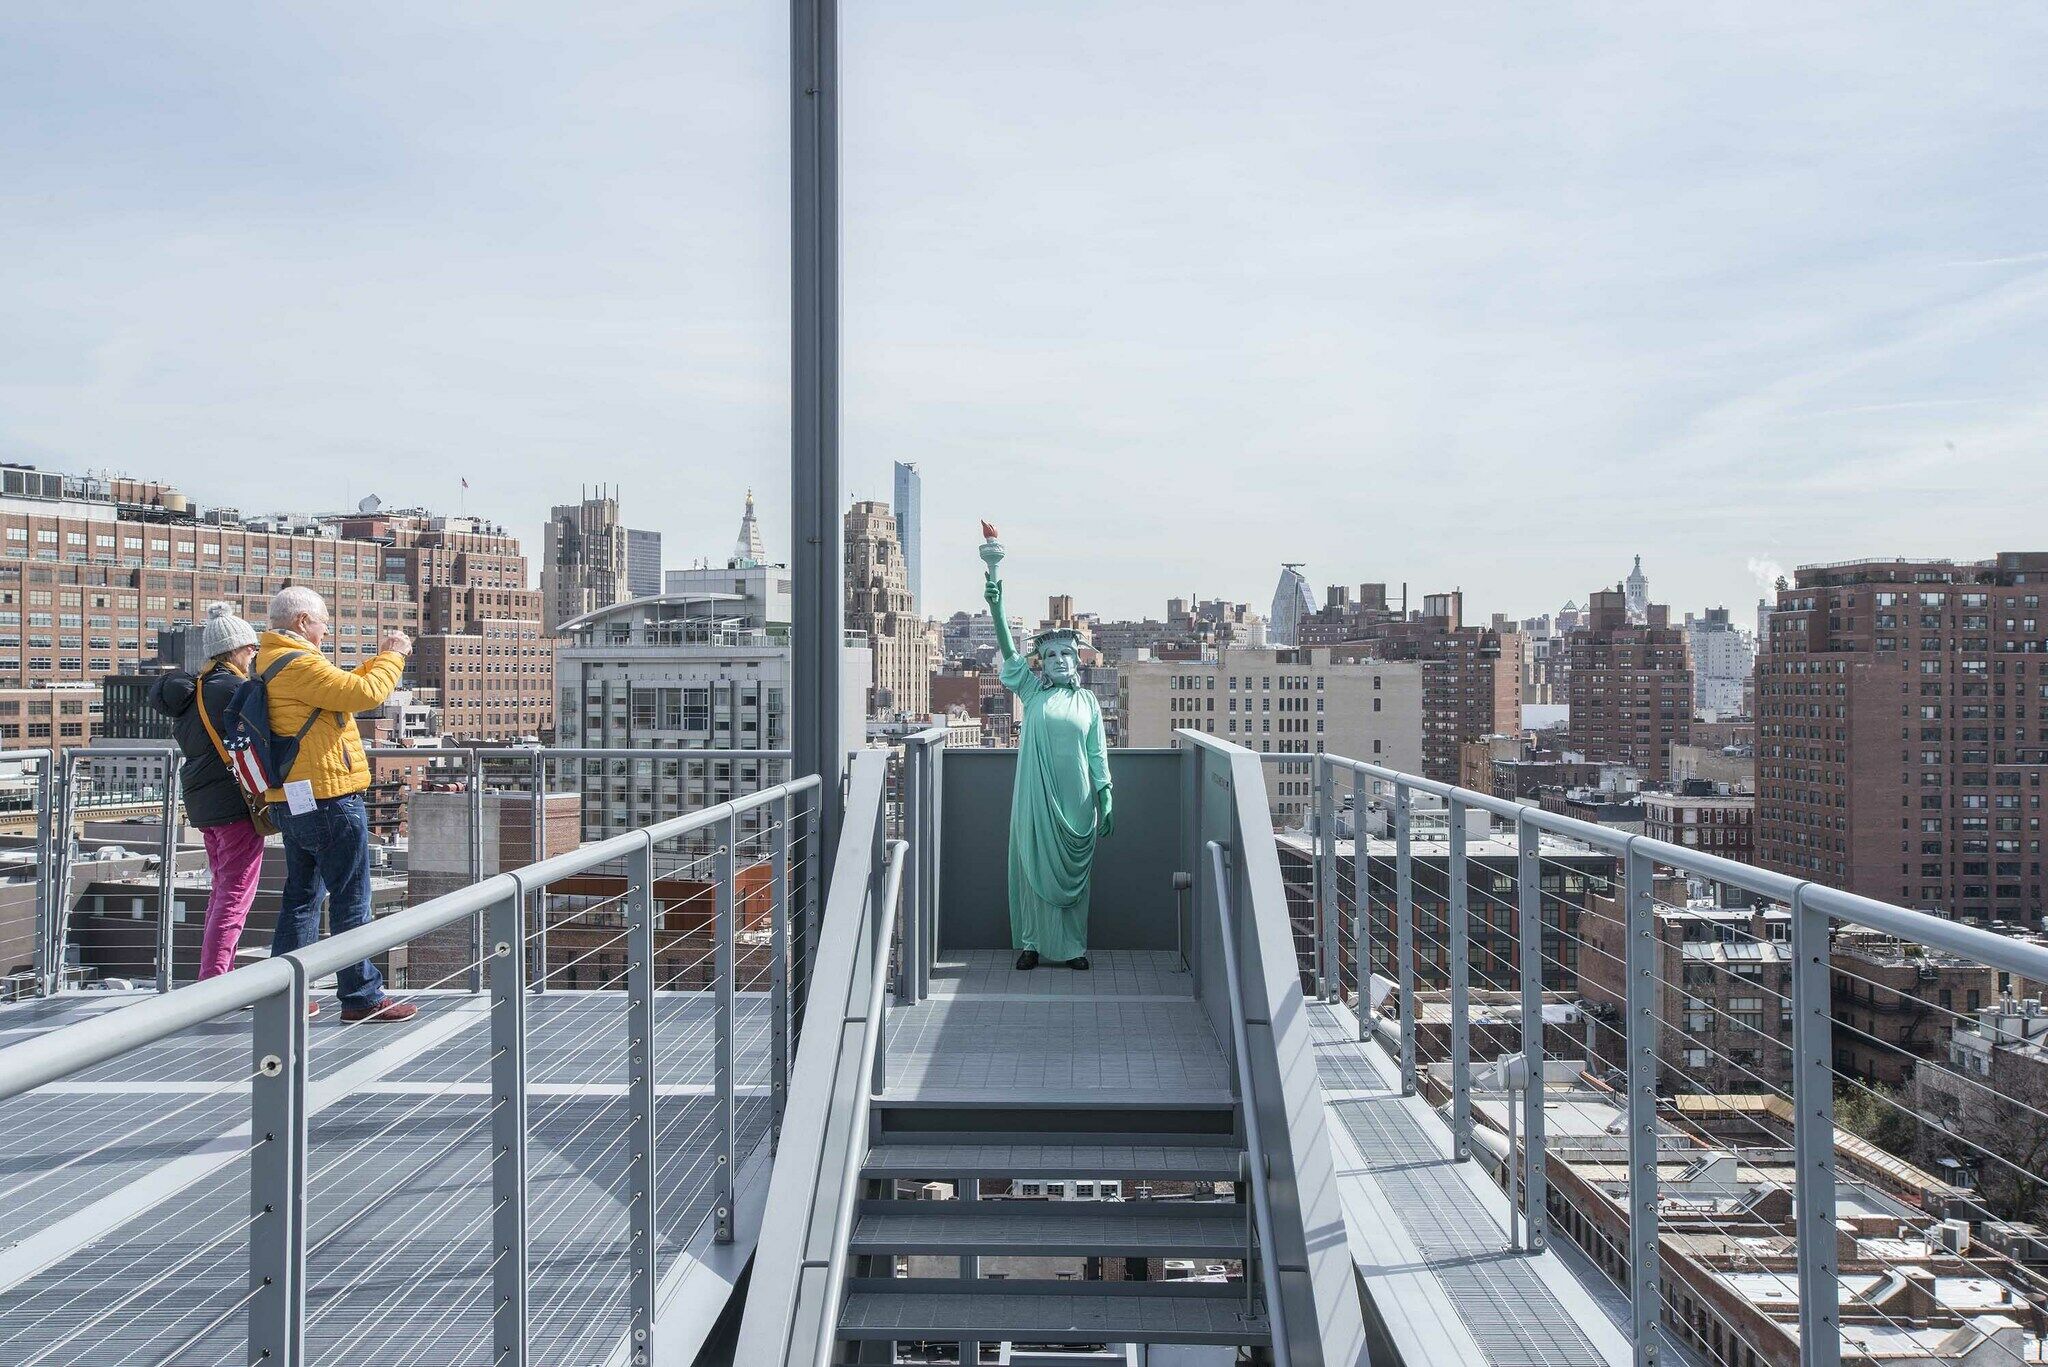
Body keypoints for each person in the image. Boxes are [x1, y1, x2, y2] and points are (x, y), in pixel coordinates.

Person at [258, 585, 418, 1022]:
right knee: (351, 899)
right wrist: (394, 655)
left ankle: (286, 994)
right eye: (323, 623)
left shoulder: (270, 659)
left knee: (302, 896)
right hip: (328, 796)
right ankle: (362, 996)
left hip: (292, 797)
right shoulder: (298, 663)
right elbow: (364, 695)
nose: (326, 632)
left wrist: (374, 663)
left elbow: (344, 687)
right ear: (301, 622)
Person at [985, 569, 1113, 971]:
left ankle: (1074, 947)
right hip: (1034, 798)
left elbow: (1097, 752)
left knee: (1076, 876)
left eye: (1066, 654)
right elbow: (1008, 651)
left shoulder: (1089, 702)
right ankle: (1030, 944)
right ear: (1042, 662)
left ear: (1077, 660)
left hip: (1077, 800)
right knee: (1031, 867)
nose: (1059, 660)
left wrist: (1105, 796)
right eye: (1051, 655)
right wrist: (997, 606)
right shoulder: (1031, 691)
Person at [147, 603, 267, 981]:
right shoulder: (236, 689)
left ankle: (216, 973)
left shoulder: (193, 693)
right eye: (251, 648)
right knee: (235, 893)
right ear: (236, 649)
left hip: (204, 805)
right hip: (234, 806)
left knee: (221, 890)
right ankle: (215, 980)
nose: (254, 655)